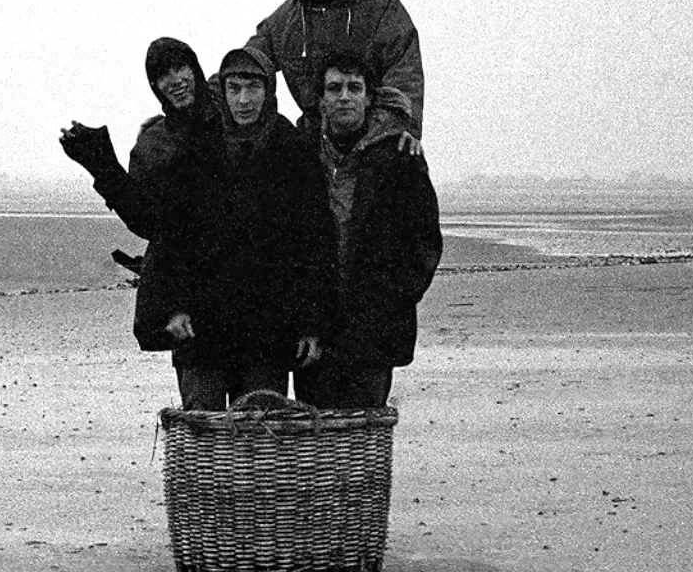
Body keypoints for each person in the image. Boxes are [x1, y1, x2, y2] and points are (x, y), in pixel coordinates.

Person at [148, 47, 337, 410]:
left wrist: (313, 323)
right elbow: (171, 236)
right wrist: (173, 306)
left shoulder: (293, 151)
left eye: (253, 88)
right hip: (203, 330)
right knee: (203, 440)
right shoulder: (199, 148)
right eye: (234, 89)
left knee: (260, 442)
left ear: (269, 91)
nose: (243, 100)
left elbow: (316, 242)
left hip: (269, 333)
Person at [294, 49, 442, 409]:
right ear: (321, 99)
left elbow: (424, 243)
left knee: (365, 443)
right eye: (334, 88)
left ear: (368, 97)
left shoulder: (400, 158)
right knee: (316, 443)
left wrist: (392, 302)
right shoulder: (299, 157)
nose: (344, 96)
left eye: (354, 87)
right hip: (315, 330)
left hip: (373, 331)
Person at [58, 37, 221, 353]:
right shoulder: (152, 146)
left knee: (262, 402)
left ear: (196, 69)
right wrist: (101, 165)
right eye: (163, 75)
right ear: (154, 84)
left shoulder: (233, 120)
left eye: (180, 68)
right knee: (202, 400)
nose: (175, 81)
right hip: (190, 307)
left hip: (252, 303)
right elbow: (147, 222)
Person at [246, 0, 426, 140]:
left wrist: (397, 129)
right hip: (314, 147)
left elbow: (405, 72)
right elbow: (246, 66)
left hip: (376, 142)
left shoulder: (381, 6)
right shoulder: (284, 22)